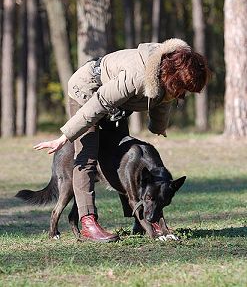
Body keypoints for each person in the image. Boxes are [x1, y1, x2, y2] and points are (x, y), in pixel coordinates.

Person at [34, 38, 210, 242]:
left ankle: (138, 220)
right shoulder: (137, 76)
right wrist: (66, 136)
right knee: (87, 157)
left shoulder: (164, 76)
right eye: (182, 88)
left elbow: (161, 100)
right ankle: (88, 222)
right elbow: (98, 104)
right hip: (88, 93)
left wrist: (158, 127)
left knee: (121, 157)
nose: (182, 94)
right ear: (172, 76)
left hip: (117, 106)